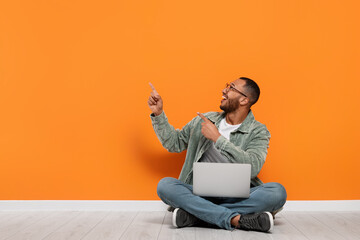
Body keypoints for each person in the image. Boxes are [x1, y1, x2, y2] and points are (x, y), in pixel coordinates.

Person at [147, 77, 287, 233]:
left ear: (244, 100)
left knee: (277, 192)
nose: (224, 90)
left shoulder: (258, 131)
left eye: (231, 88)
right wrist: (159, 114)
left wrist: (218, 139)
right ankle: (236, 219)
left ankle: (198, 215)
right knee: (165, 186)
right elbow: (174, 143)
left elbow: (253, 167)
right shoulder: (205, 120)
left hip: (237, 197)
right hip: (199, 194)